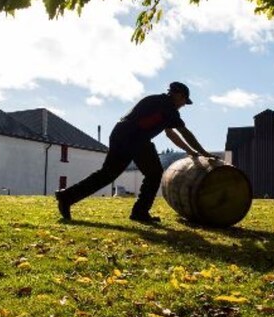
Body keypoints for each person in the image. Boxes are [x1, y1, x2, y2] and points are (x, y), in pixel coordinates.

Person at [55, 81, 216, 223]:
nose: (183, 105)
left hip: (120, 134)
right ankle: (140, 212)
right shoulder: (168, 108)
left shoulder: (158, 102)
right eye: (184, 101)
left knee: (107, 174)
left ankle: (66, 197)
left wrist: (191, 151)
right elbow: (184, 132)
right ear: (179, 95)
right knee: (154, 174)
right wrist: (202, 152)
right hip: (135, 138)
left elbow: (170, 133)